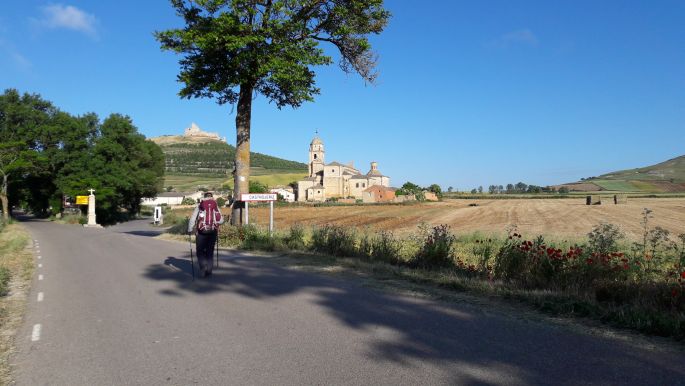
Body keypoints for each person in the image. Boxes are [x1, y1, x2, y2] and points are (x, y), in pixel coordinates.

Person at [187, 192, 224, 277]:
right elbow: (221, 220)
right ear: (212, 197)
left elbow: (192, 219)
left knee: (200, 251)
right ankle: (209, 270)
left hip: (201, 232)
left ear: (204, 197)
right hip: (213, 231)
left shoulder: (200, 206)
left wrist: (190, 229)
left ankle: (203, 267)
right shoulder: (215, 206)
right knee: (210, 251)